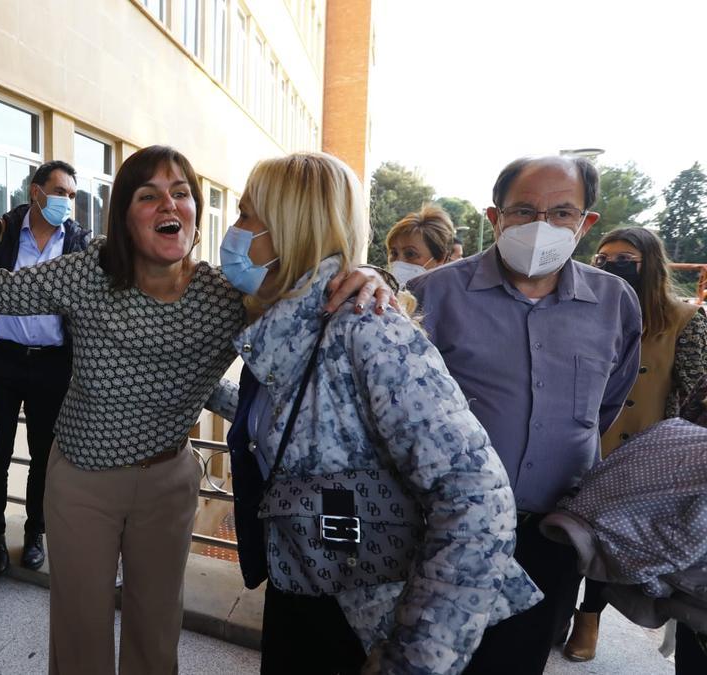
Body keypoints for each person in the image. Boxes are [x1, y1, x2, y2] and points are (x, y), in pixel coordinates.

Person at [0, 145, 396, 675]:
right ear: (125, 216)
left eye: (181, 193)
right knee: (80, 629)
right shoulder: (90, 271)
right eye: (148, 195)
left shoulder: (227, 297)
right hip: (83, 480)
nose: (168, 205)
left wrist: (379, 276)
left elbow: (309, 295)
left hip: (168, 483)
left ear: (196, 213)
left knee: (156, 629)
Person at [219, 152, 538, 674]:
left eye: (247, 215)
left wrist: (414, 659)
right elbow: (299, 428)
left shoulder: (370, 326)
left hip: (370, 622)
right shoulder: (289, 324)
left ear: (293, 228)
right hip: (305, 588)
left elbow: (477, 497)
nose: (235, 232)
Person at [406, 156, 643, 675]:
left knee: (519, 661)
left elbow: (608, 402)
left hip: (551, 534)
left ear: (586, 223)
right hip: (443, 529)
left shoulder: (614, 303)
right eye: (523, 211)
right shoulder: (435, 295)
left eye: (562, 212)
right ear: (495, 217)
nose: (542, 226)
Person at [559, 226, 707, 662]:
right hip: (589, 440)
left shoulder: (684, 319)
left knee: (613, 540)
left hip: (644, 451)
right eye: (603, 258)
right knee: (571, 533)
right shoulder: (588, 309)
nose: (610, 265)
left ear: (650, 264)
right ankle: (561, 611)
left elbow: (692, 390)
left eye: (625, 258)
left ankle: (589, 617)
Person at [0, 160, 89, 576]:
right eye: (60, 193)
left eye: (72, 195)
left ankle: (35, 533)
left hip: (53, 364)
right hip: (1, 359)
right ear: (35, 192)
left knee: (44, 455)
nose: (67, 202)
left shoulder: (79, 243)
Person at [384, 204, 455, 285]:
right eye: (394, 253)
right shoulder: (380, 293)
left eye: (410, 254)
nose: (398, 262)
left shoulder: (452, 296)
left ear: (441, 259)